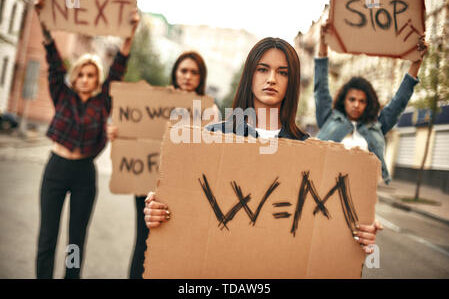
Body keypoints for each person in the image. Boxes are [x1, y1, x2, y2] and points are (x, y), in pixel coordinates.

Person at [143, 37, 381, 255]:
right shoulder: (212, 137)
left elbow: (326, 225)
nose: (271, 79)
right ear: (250, 76)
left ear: (293, 81)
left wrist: (358, 233)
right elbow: (185, 208)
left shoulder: (309, 152)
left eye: (283, 72)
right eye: (263, 69)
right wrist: (159, 212)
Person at [34, 0, 139, 279]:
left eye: (91, 75)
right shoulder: (62, 95)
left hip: (83, 174)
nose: (84, 79)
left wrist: (130, 32)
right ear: (75, 76)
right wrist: (43, 19)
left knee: (75, 241)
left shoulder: (103, 100)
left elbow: (120, 65)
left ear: (97, 79)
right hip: (56, 168)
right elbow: (53, 58)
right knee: (47, 237)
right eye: (81, 74)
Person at [107, 50, 219, 279]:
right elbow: (136, 136)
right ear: (175, 73)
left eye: (194, 72)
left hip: (185, 189)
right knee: (144, 242)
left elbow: (213, 152)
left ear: (201, 77)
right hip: (146, 181)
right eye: (183, 70)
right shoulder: (156, 102)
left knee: (175, 244)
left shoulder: (210, 111)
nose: (188, 76)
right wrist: (118, 133)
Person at [315, 21, 428, 184]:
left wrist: (416, 62)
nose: (356, 104)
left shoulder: (376, 128)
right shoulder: (328, 119)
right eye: (352, 99)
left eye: (362, 101)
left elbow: (398, 103)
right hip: (324, 188)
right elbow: (321, 88)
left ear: (368, 104)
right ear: (343, 100)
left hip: (359, 194)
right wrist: (323, 43)